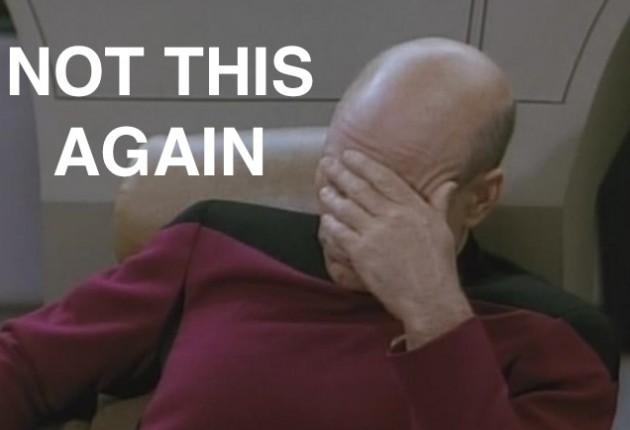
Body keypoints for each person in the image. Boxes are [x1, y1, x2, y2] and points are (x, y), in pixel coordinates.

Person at [0, 38, 618, 430]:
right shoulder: (215, 242)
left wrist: (432, 311)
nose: (344, 221)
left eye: (388, 197)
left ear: (479, 200)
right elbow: (26, 365)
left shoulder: (555, 341)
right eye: (337, 176)